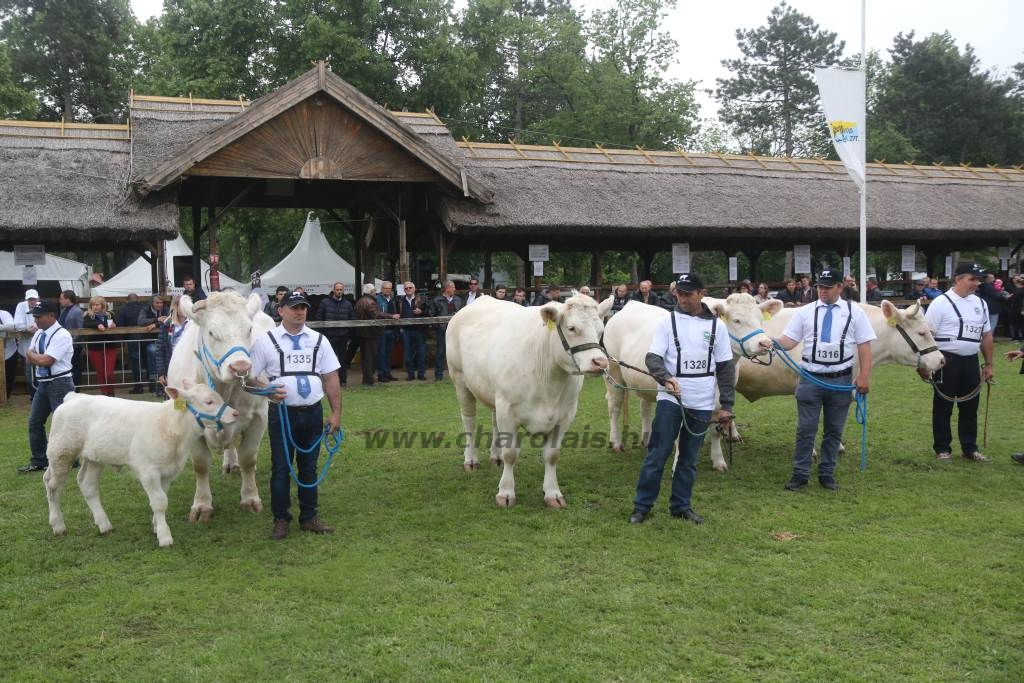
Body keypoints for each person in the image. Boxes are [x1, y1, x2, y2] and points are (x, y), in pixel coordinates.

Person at [628, 273, 735, 525]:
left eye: (688, 293)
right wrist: (665, 377)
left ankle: (681, 505)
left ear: (701, 293)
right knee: (658, 453)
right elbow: (653, 357)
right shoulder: (668, 322)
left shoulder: (717, 326)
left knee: (688, 457)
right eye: (679, 293)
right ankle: (642, 506)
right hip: (670, 400)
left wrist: (727, 405)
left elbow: (725, 367)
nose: (683, 298)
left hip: (702, 402)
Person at [249, 291, 342, 539]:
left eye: (303, 307)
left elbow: (331, 377)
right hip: (282, 414)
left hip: (313, 413)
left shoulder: (319, 340)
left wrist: (335, 414)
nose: (299, 311)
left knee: (309, 467)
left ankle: (309, 517)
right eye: (293, 307)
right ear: (280, 311)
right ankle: (281, 519)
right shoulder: (265, 341)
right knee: (281, 467)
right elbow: (248, 379)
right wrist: (267, 390)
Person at [774, 268, 875, 491]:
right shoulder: (804, 312)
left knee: (834, 430)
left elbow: (864, 345)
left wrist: (864, 375)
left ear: (840, 287)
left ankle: (826, 474)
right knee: (805, 428)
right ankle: (800, 474)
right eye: (820, 286)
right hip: (810, 377)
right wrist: (770, 343)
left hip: (840, 379)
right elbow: (789, 340)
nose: (823, 291)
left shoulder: (854, 312)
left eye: (828, 287)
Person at [919, 262, 994, 462]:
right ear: (958, 278)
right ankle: (943, 448)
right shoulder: (940, 303)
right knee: (943, 406)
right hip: (946, 361)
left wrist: (988, 364)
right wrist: (923, 365)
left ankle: (970, 448)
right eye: (972, 279)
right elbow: (928, 335)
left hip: (970, 360)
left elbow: (986, 336)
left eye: (978, 280)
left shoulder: (981, 303)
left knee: (970, 406)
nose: (976, 284)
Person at [18, 300, 76, 473]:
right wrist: (33, 355)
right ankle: (39, 460)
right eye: (34, 316)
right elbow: (30, 358)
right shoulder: (39, 333)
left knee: (64, 424)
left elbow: (45, 360)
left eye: (39, 316)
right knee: (34, 421)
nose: (35, 320)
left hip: (60, 383)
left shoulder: (62, 335)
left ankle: (71, 459)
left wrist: (32, 354)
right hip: (44, 383)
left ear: (52, 315)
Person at [316, 281, 355, 387]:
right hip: (329, 336)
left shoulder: (347, 304)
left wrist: (348, 334)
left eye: (340, 289)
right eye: (337, 289)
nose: (339, 291)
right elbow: (319, 318)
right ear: (333, 290)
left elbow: (352, 319)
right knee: (328, 360)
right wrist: (323, 334)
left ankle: (343, 380)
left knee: (343, 359)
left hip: (343, 335)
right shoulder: (324, 302)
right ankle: (329, 382)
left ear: (343, 291)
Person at [353, 284, 390, 386]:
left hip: (362, 333)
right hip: (371, 333)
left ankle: (367, 380)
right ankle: (370, 381)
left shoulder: (360, 301)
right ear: (370, 292)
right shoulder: (370, 302)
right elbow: (377, 315)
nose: (375, 293)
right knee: (370, 359)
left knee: (366, 358)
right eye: (374, 291)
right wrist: (391, 316)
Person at [82, 296, 119, 396]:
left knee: (109, 372)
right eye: (93, 305)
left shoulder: (110, 315)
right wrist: (97, 325)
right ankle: (105, 393)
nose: (95, 307)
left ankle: (111, 392)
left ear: (102, 305)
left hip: (110, 346)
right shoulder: (88, 316)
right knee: (100, 372)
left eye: (97, 304)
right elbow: (85, 324)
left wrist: (115, 325)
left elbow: (118, 324)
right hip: (95, 348)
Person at [154, 294, 189, 388]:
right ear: (176, 306)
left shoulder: (193, 324)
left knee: (192, 396)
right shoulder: (167, 325)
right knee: (177, 399)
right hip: (172, 365)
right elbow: (160, 350)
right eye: (183, 306)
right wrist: (161, 372)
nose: (186, 308)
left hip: (190, 366)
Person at [431, 280, 463, 381]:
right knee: (440, 353)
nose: (454, 289)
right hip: (442, 330)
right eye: (453, 287)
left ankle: (458, 375)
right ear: (447, 288)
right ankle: (439, 376)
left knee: (457, 353)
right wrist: (438, 327)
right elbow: (432, 314)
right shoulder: (436, 300)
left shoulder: (458, 300)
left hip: (456, 330)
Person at [115, 293, 147, 394]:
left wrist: (123, 338)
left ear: (127, 300)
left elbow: (120, 325)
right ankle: (153, 385)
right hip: (145, 338)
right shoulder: (144, 308)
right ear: (138, 299)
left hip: (131, 338)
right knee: (147, 361)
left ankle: (138, 387)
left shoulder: (123, 309)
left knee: (135, 363)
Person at [137, 295, 168, 394]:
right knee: (152, 353)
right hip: (150, 340)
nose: (160, 305)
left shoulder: (166, 309)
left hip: (164, 340)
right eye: (157, 303)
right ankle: (154, 383)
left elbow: (169, 320)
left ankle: (162, 385)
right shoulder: (145, 310)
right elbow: (141, 321)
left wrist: (155, 324)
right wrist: (157, 320)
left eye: (161, 303)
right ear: (152, 303)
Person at [399, 281, 428, 381]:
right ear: (404, 290)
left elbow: (430, 311)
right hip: (406, 330)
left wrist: (422, 311)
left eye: (410, 288)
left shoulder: (422, 299)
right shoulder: (400, 301)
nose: (408, 289)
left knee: (421, 353)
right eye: (406, 288)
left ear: (414, 289)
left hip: (419, 330)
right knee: (407, 354)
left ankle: (421, 374)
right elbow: (398, 314)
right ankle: (410, 375)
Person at [14, 289, 40, 397]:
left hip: (39, 347)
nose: (32, 301)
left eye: (34, 299)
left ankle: (40, 395)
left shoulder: (41, 306)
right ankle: (33, 396)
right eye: (30, 299)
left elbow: (46, 321)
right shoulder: (21, 306)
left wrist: (36, 327)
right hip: (26, 347)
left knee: (39, 372)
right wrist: (26, 328)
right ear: (26, 299)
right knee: (29, 374)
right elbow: (17, 324)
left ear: (38, 298)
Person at [374, 281, 400, 383]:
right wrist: (391, 316)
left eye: (389, 288)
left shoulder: (393, 299)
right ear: (381, 289)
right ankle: (381, 374)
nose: (387, 290)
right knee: (382, 353)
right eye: (385, 288)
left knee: (389, 353)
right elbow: (377, 313)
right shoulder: (377, 299)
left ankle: (387, 373)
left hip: (392, 330)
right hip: (382, 330)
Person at [58, 290, 84, 386]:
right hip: (64, 345)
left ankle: (76, 388)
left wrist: (71, 342)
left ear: (68, 299)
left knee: (76, 368)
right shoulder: (63, 310)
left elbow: (81, 329)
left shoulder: (77, 311)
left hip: (74, 346)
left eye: (61, 298)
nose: (59, 300)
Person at [0, 306, 16, 397]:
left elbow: (11, 326)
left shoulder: (4, 314)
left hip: (9, 352)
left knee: (9, 376)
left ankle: (6, 397)